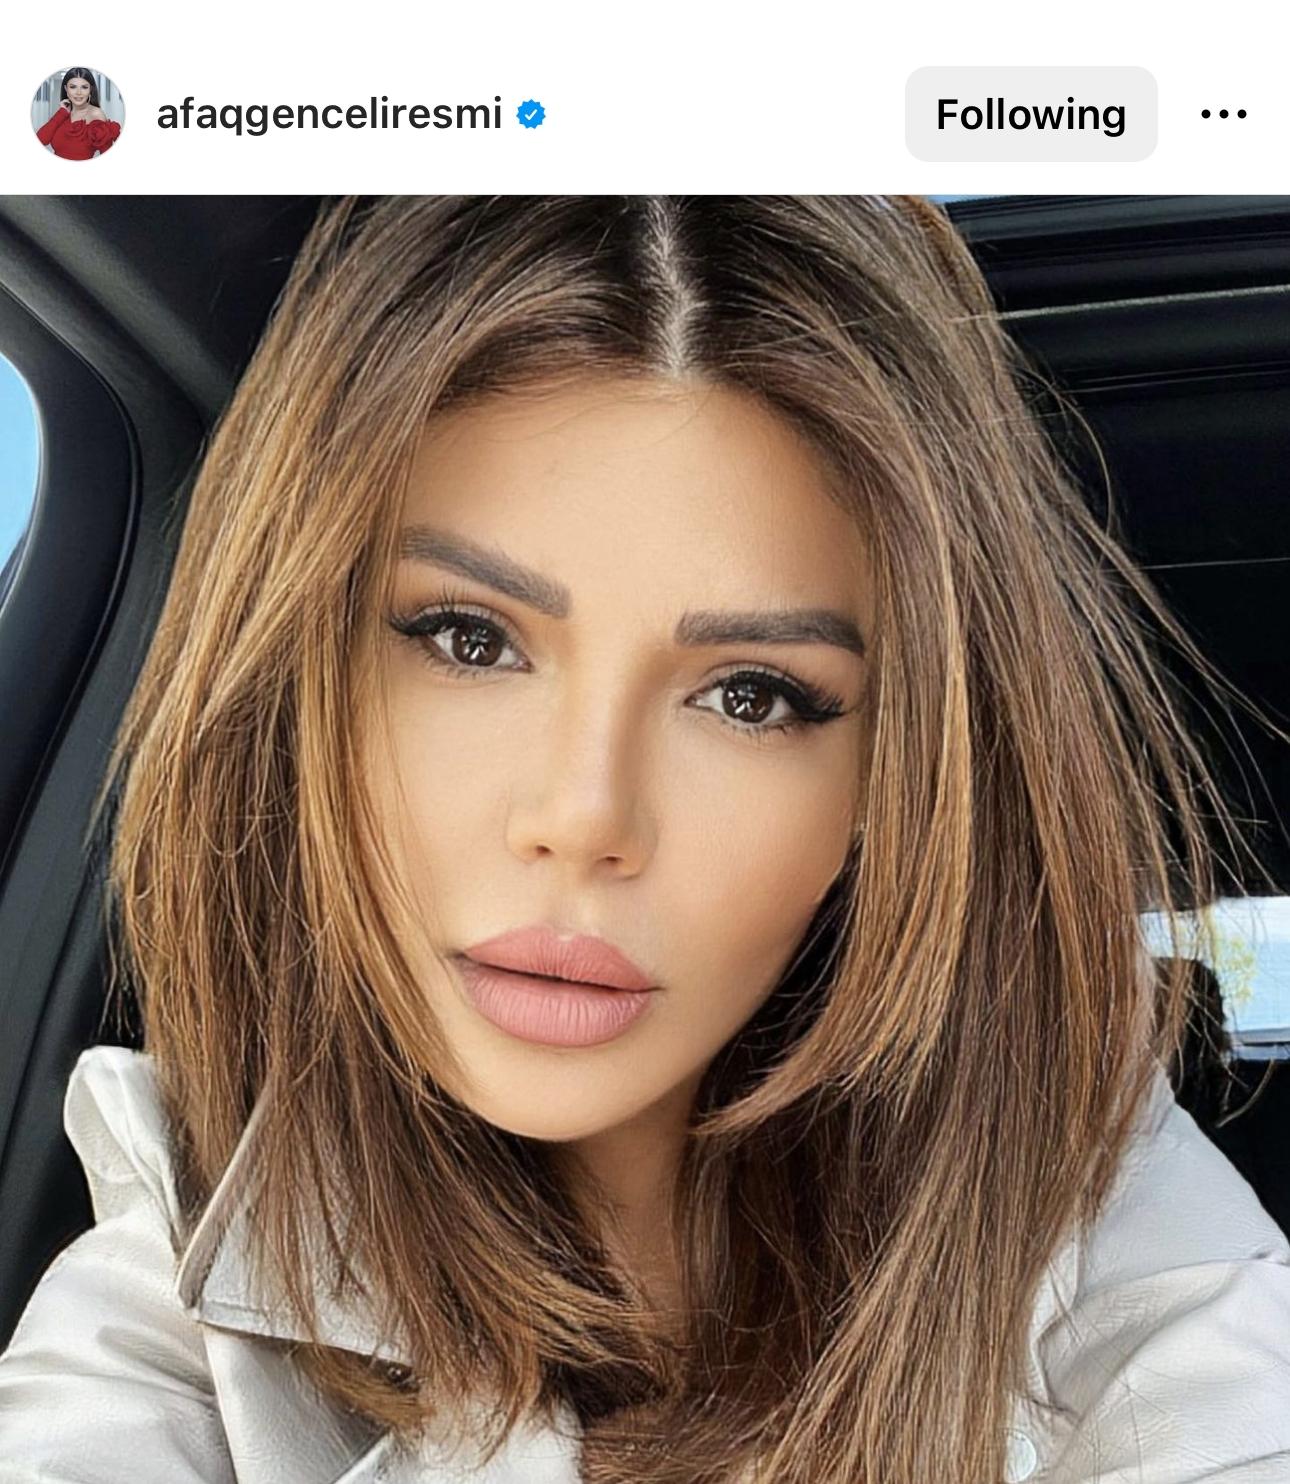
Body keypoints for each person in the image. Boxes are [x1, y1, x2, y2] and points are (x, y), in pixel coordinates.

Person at [0, 195, 1288, 1484]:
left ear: (890, 790)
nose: (583, 818)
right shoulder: (179, 1277)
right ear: (301, 681)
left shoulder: (1103, 1228)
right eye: (468, 637)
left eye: (752, 697)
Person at [35, 67, 121, 160]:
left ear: (90, 89)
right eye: (73, 87)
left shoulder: (96, 114)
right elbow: (41, 140)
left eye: (84, 87)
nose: (78, 92)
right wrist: (62, 112)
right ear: (66, 89)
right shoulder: (64, 112)